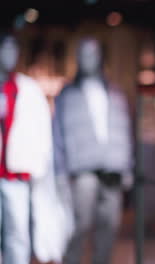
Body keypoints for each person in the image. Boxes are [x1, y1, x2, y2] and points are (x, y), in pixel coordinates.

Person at [53, 37, 133, 264]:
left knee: (109, 226)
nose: (88, 59)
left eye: (93, 54)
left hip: (113, 168)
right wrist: (59, 172)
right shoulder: (67, 95)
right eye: (83, 54)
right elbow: (57, 135)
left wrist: (127, 166)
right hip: (82, 169)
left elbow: (124, 130)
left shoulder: (115, 92)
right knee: (80, 225)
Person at [0, 32, 52, 264]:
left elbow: (40, 130)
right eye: (5, 49)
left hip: (16, 173)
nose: (9, 55)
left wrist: (38, 164)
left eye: (14, 49)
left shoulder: (27, 89)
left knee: (17, 232)